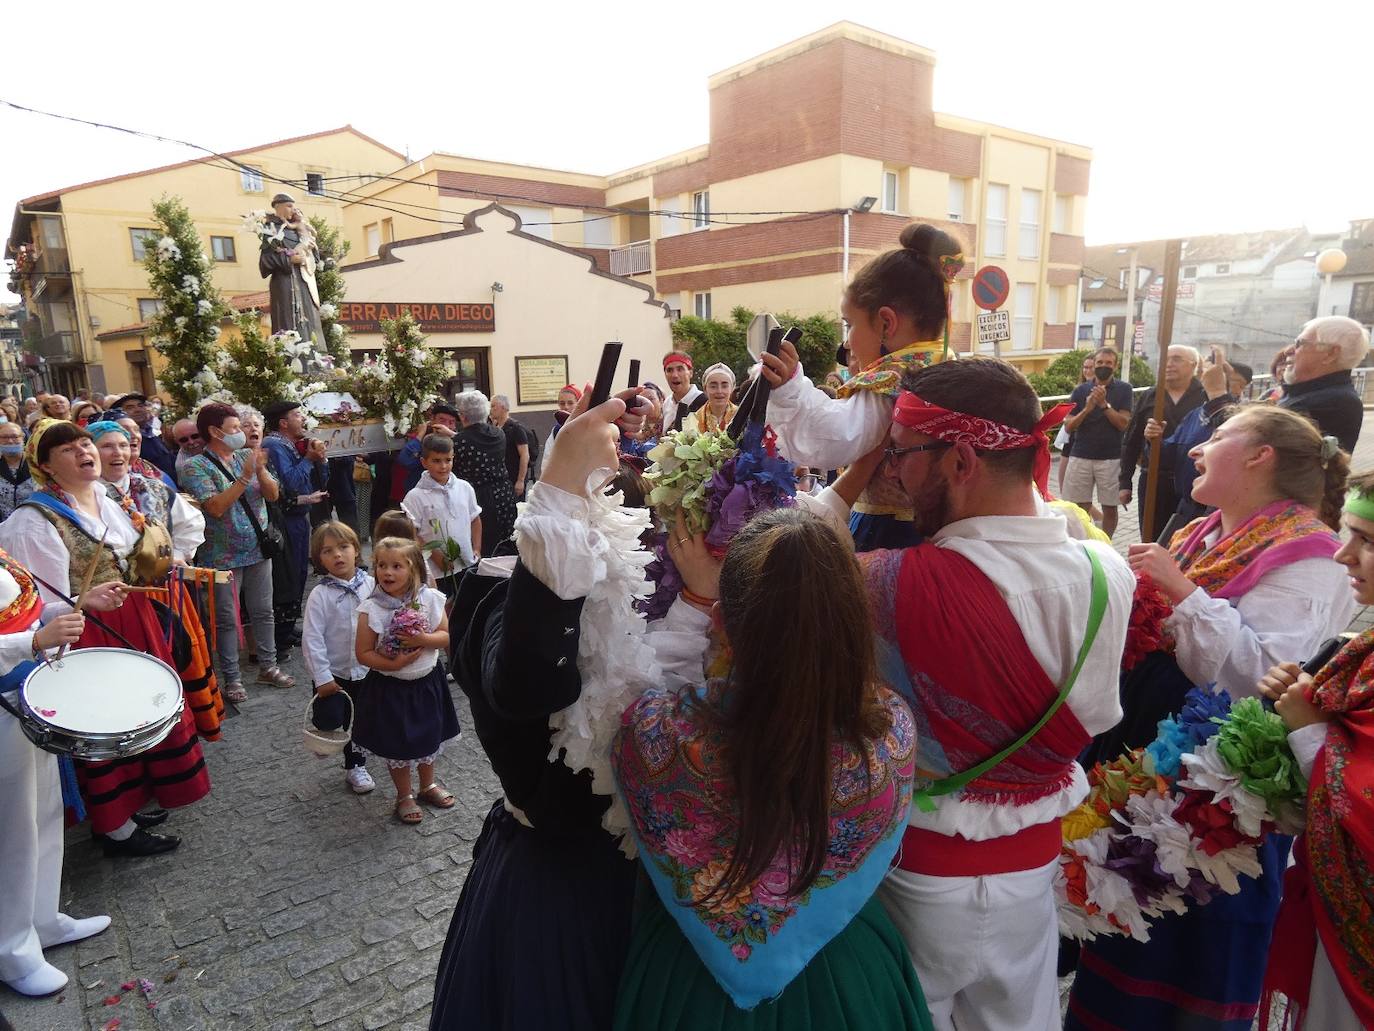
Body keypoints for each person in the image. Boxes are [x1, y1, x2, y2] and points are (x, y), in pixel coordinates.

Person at [813, 357, 1134, 1031]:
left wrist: (842, 486)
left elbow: (791, 556)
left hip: (916, 876)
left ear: (960, 459)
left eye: (897, 453)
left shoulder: (879, 586)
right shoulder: (1108, 571)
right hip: (1030, 876)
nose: (891, 472)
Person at [1068, 404, 1355, 1031]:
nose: (1197, 448)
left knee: (1189, 927)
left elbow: (1266, 681)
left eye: (1218, 438)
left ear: (1261, 457)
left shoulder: (1312, 553)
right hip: (1147, 745)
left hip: (1217, 781)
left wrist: (1180, 591)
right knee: (1119, 901)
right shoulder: (1200, 531)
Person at [613, 504, 931, 1028]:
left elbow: (653, 691)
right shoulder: (889, 730)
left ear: (722, 623)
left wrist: (692, 598)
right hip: (848, 976)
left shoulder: (655, 735)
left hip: (684, 987)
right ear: (853, 623)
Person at [430, 397, 644, 1031]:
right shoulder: (496, 587)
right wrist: (555, 496)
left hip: (647, 888)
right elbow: (520, 686)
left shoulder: (657, 597)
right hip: (552, 893)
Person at [0, 420, 210, 857]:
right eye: (68, 450)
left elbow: (131, 550)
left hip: (129, 618)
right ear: (45, 466)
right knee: (102, 726)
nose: (84, 452)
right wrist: (85, 599)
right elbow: (33, 606)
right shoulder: (31, 521)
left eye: (84, 444)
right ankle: (113, 825)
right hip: (84, 635)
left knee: (135, 717)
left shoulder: (105, 496)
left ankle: (132, 806)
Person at [763, 223, 964, 552]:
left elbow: (836, 439)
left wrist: (791, 388)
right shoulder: (947, 368)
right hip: (942, 534)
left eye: (850, 323)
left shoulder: (893, 378)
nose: (847, 340)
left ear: (886, 323)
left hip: (889, 535)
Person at [1257, 469, 1374, 1030]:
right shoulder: (1362, 652)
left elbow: (1366, 806)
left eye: (1368, 541)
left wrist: (1306, 728)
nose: (1343, 556)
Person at [0, 551, 115, 997]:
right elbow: (23, 636)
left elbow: (22, 613)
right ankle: (13, 953)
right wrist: (32, 642)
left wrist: (73, 604)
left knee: (44, 815)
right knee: (12, 834)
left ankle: (42, 921)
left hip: (27, 698)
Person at [92, 419, 222, 739]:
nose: (118, 452)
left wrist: (176, 555)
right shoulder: (86, 496)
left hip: (165, 591)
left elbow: (190, 524)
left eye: (123, 445)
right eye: (107, 446)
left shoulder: (151, 486)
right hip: (121, 601)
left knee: (179, 654)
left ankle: (183, 721)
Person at [179, 403, 293, 703]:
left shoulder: (246, 455)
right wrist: (243, 477)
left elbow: (273, 495)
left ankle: (269, 666)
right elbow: (214, 507)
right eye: (235, 428)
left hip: (259, 547)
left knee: (263, 611)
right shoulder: (195, 466)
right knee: (227, 619)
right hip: (222, 555)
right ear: (215, 432)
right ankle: (231, 678)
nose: (242, 433)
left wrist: (260, 471)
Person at [352, 537, 458, 825]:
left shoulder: (430, 599)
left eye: (396, 566)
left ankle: (427, 785)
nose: (387, 572)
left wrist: (423, 639)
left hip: (427, 683)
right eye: (381, 566)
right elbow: (362, 653)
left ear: (414, 569)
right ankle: (404, 794)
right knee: (398, 743)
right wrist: (393, 663)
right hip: (391, 688)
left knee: (428, 736)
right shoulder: (371, 608)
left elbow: (446, 636)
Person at [302, 521, 376, 796]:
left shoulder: (372, 586)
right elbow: (312, 639)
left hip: (368, 670)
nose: (337, 555)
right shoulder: (320, 596)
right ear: (319, 559)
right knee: (332, 718)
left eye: (344, 547)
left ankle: (355, 765)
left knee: (361, 720)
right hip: (334, 673)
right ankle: (326, 733)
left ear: (356, 550)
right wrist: (322, 677)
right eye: (328, 551)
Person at [1119, 344, 1206, 540]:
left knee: (1187, 540)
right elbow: (1131, 441)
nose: (1169, 364)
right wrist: (1125, 482)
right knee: (1151, 539)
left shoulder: (1205, 396)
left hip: (1192, 482)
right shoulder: (1151, 395)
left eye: (1176, 359)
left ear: (1193, 365)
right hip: (1153, 480)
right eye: (1165, 359)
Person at [1162, 348, 1253, 525]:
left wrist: (1217, 394)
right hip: (1186, 504)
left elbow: (1236, 437)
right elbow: (1171, 453)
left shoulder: (1248, 417)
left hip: (1217, 510)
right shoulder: (1195, 414)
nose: (1196, 452)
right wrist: (1153, 441)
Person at [261, 399, 328, 610]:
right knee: (290, 572)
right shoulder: (273, 444)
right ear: (283, 423)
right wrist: (308, 458)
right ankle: (286, 625)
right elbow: (290, 482)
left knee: (300, 570)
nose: (303, 419)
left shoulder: (293, 443)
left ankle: (292, 621)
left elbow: (321, 480)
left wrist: (321, 459)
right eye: (297, 416)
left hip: (300, 516)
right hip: (286, 519)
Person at [1061, 347, 1133, 537]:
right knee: (1079, 507)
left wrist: (1103, 405)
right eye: (1100, 363)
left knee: (1110, 507)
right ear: (1094, 364)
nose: (1103, 366)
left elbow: (1123, 424)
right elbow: (1069, 426)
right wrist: (1087, 408)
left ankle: (1105, 545)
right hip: (1080, 455)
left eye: (1108, 363)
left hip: (1111, 458)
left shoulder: (1124, 389)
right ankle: (1084, 544)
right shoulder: (1080, 390)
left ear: (1115, 366)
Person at [1277, 315, 1370, 453]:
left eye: (1299, 344)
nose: (1288, 351)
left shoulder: (1335, 402)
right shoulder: (1310, 393)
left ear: (1331, 354)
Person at [401, 434, 481, 596]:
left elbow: (475, 519)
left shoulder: (464, 487)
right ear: (424, 462)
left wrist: (477, 548)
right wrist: (436, 556)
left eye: (448, 460)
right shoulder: (415, 496)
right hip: (436, 570)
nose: (443, 466)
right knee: (442, 608)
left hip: (466, 562)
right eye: (436, 461)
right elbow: (412, 533)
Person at [452, 391, 517, 556]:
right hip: (504, 494)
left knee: (485, 544)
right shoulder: (499, 434)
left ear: (463, 417)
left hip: (478, 497)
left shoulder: (459, 442)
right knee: (507, 540)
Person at [392, 404, 459, 504]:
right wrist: (419, 436)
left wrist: (452, 435)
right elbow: (405, 460)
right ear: (432, 420)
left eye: (451, 422)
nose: (446, 425)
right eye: (442, 420)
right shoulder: (421, 439)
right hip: (421, 496)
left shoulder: (459, 441)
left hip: (451, 495)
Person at [110, 393, 177, 481]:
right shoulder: (126, 442)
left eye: (141, 405)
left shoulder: (154, 435)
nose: (137, 410)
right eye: (130, 408)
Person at [1056, 355, 1097, 498]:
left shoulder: (1103, 392)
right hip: (1071, 439)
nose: (1087, 370)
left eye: (1091, 367)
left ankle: (1098, 518)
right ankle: (1093, 518)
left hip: (1084, 446)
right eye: (1085, 367)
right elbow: (1068, 419)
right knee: (1064, 488)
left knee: (1073, 493)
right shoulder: (1079, 390)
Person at [488, 394, 532, 499]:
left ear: (503, 407)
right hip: (500, 479)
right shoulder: (495, 428)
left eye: (493, 406)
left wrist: (520, 481)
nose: (491, 409)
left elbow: (525, 455)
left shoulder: (516, 428)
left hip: (514, 478)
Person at [660, 353, 705, 433]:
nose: (675, 375)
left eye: (680, 369)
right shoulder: (667, 403)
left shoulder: (704, 402)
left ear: (690, 373)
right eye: (669, 370)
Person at [0, 420, 34, 520]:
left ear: (23, 437)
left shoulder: (35, 464)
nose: (10, 441)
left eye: (14, 436)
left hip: (32, 523)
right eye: (4, 437)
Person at [693, 362, 738, 433]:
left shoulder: (740, 416)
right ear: (705, 389)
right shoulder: (694, 420)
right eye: (713, 386)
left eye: (724, 386)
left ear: (732, 388)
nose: (719, 391)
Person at [171, 417, 204, 484]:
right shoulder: (184, 466)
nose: (191, 442)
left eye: (195, 436)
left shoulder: (214, 444)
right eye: (184, 440)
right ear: (177, 442)